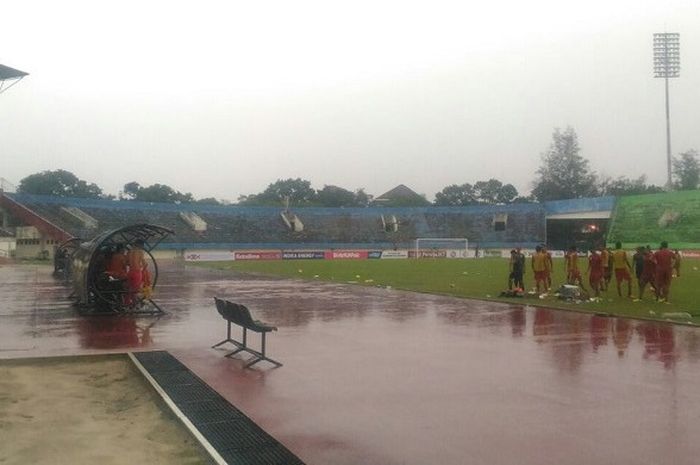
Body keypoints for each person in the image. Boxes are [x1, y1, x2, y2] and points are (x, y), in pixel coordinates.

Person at [126, 239, 148, 306]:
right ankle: (135, 305)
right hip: (137, 272)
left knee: (129, 289)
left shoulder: (129, 251)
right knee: (135, 291)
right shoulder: (140, 251)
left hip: (130, 272)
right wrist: (143, 270)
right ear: (140, 245)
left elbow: (127, 263)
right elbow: (145, 264)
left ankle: (129, 303)